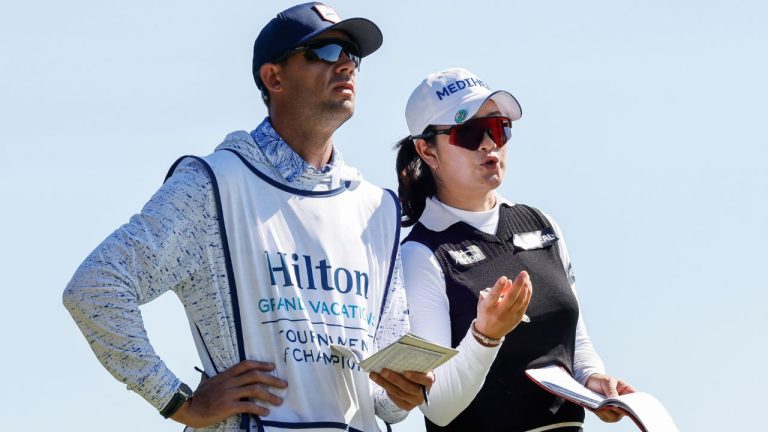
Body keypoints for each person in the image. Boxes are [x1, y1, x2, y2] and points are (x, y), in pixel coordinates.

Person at [62, 3, 432, 431]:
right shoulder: (212, 183)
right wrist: (177, 401)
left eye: (353, 54)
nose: (346, 64)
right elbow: (96, 286)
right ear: (274, 78)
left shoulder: (378, 208)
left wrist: (400, 392)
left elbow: (384, 402)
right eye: (327, 51)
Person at [394, 67, 636, 432]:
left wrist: (594, 381)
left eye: (498, 129)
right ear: (427, 150)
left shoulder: (541, 223)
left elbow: (575, 339)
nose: (490, 145)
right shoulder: (420, 254)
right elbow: (437, 406)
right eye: (470, 133)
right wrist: (485, 336)